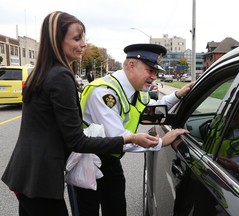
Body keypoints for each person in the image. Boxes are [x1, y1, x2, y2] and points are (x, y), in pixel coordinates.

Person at [1, 12, 165, 216]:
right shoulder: (61, 76)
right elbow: (77, 141)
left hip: (24, 175)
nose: (84, 44)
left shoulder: (41, 72)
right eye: (77, 38)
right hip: (41, 180)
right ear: (57, 40)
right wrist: (129, 138)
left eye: (83, 38)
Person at [75, 43, 193, 216]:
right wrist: (160, 142)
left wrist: (177, 95)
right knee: (88, 211)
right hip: (88, 162)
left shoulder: (135, 90)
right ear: (131, 65)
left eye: (156, 72)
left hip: (111, 161)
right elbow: (118, 138)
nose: (154, 77)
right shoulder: (104, 92)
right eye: (150, 70)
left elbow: (153, 107)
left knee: (116, 210)